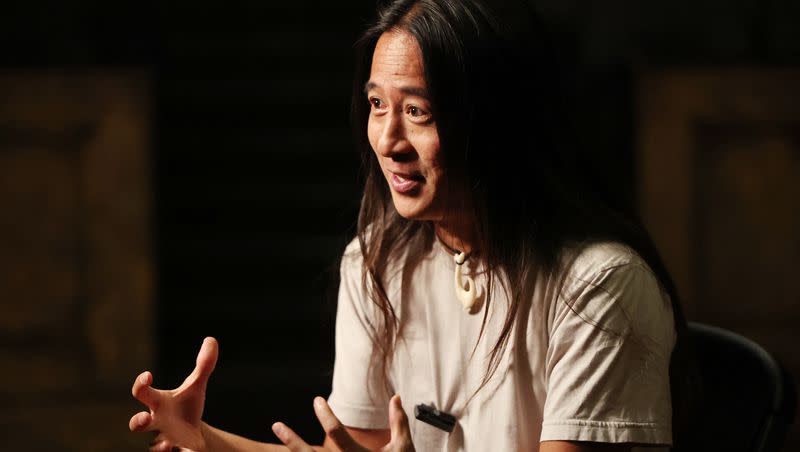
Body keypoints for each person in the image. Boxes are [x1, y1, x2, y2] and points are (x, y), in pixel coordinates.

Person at [129, 1, 687, 451]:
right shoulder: (377, 263)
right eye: (376, 105)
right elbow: (358, 450)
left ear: (493, 120)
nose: (388, 142)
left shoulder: (600, 286)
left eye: (417, 111)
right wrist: (204, 439)